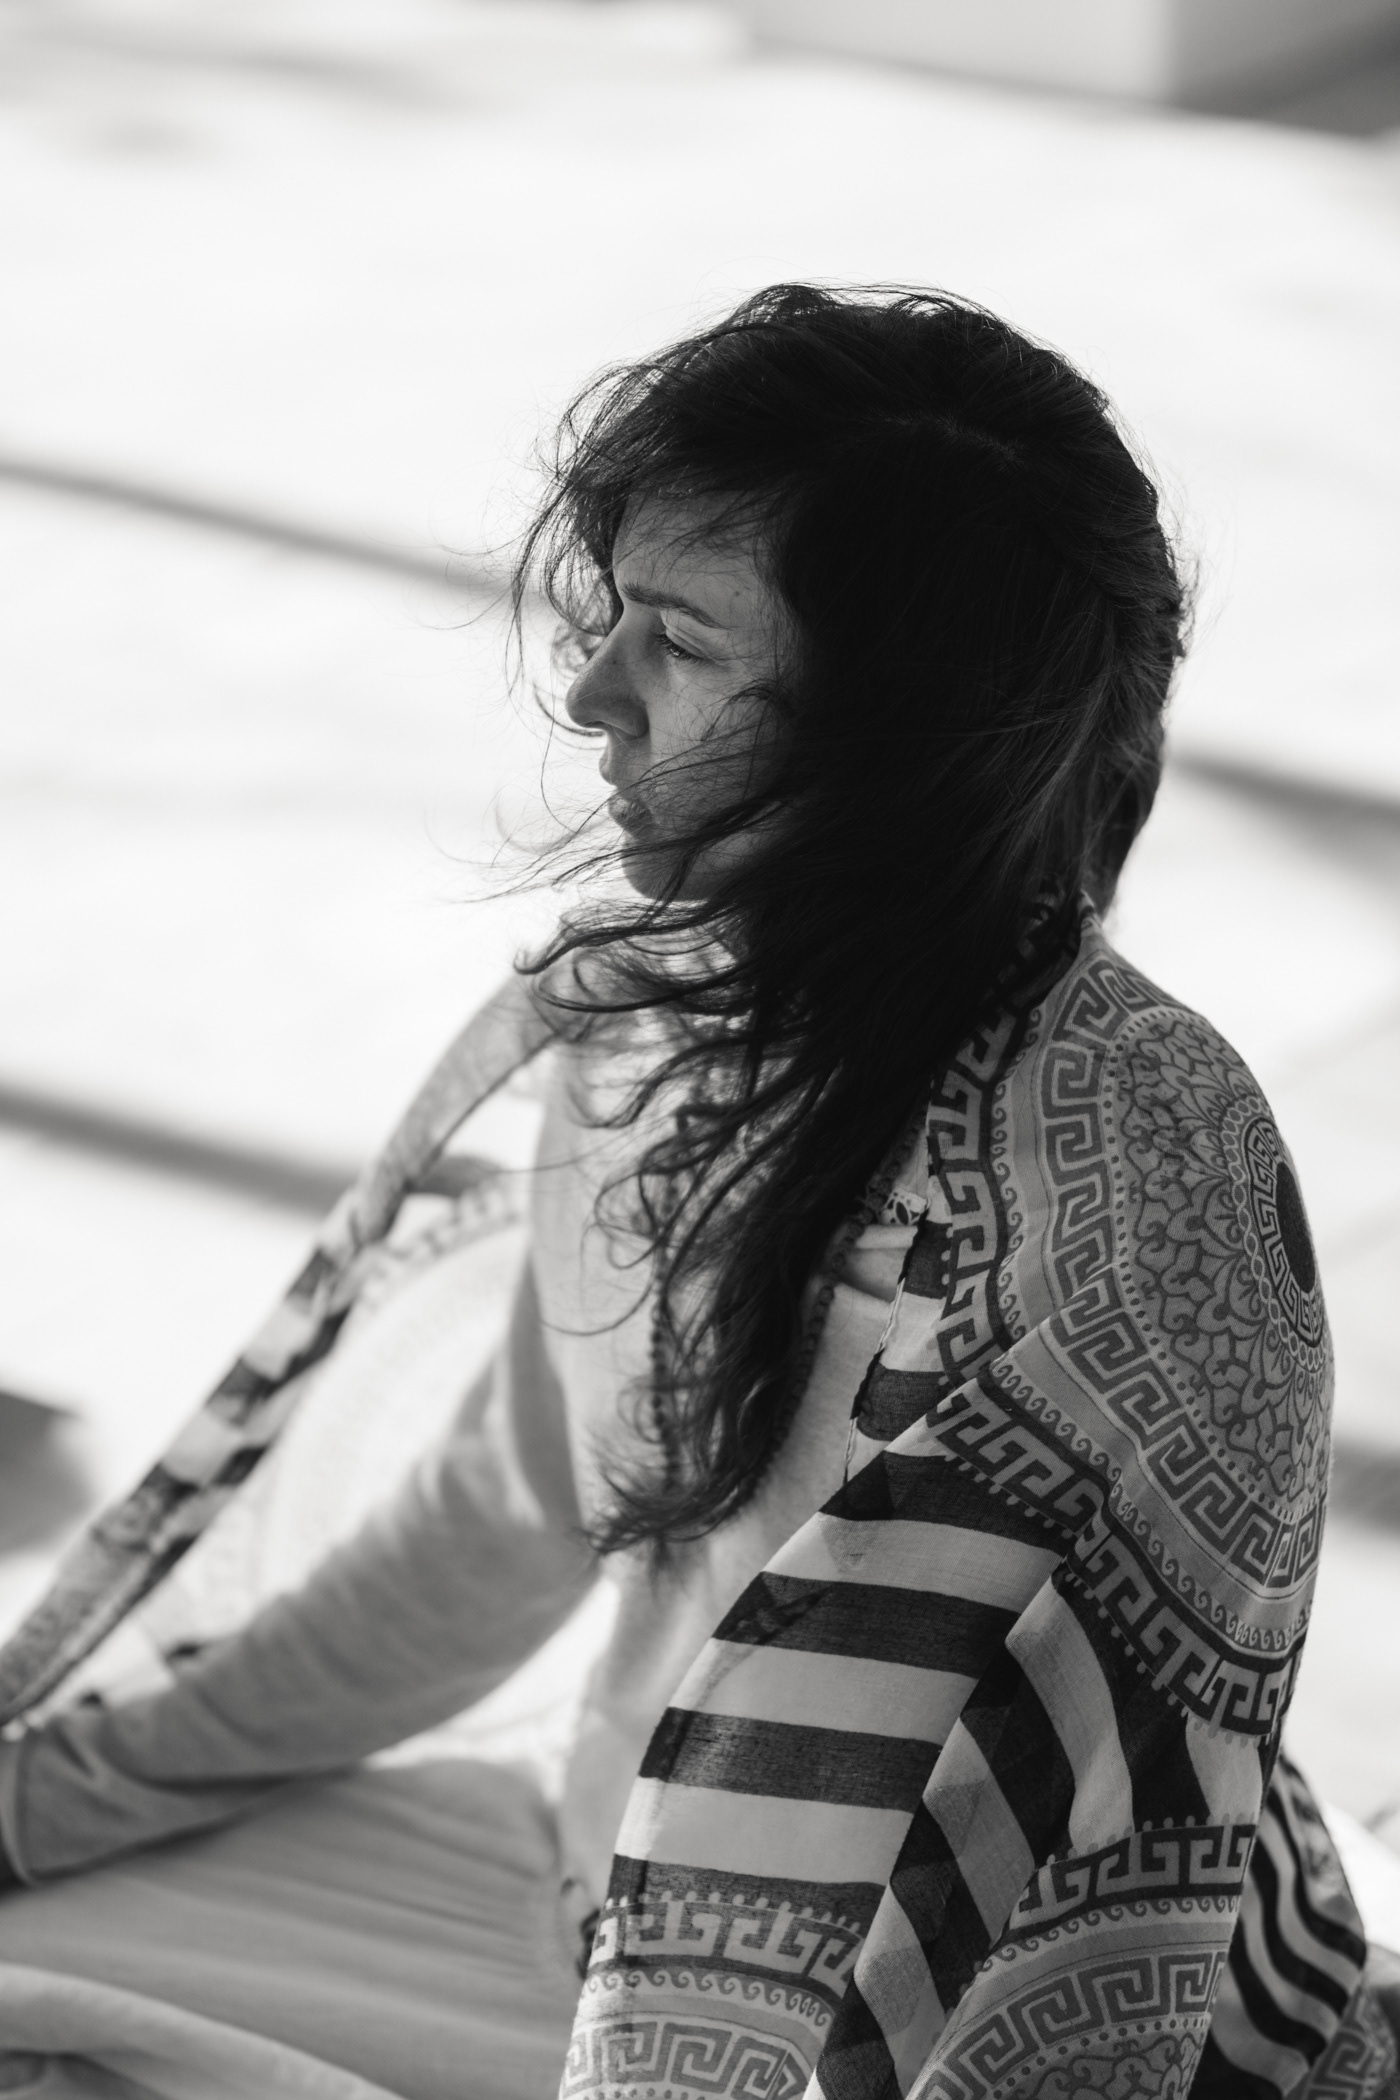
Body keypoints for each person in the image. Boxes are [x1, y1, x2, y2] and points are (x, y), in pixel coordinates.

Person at [0, 284, 1392, 2100]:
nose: (593, 697)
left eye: (676, 642)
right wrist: (41, 1801)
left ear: (901, 725)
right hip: (605, 1912)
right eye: (617, 620)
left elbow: (1062, 1943)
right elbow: (508, 1515)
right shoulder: (657, 1020)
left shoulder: (1140, 1190)